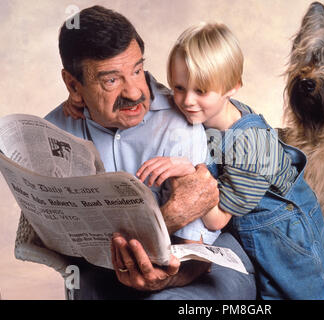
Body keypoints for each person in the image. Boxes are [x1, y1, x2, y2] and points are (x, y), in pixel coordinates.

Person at [40, 5, 256, 299]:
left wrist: (163, 280)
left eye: (138, 70)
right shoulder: (52, 131)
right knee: (86, 287)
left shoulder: (179, 123)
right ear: (73, 86)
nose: (134, 92)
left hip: (204, 263)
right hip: (111, 266)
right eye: (111, 80)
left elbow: (197, 253)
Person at [137, 23, 324, 299]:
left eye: (201, 90)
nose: (186, 100)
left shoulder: (249, 147)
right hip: (253, 238)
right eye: (179, 87)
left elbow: (216, 220)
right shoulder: (210, 115)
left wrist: (188, 172)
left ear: (232, 87)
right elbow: (155, 95)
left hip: (290, 238)